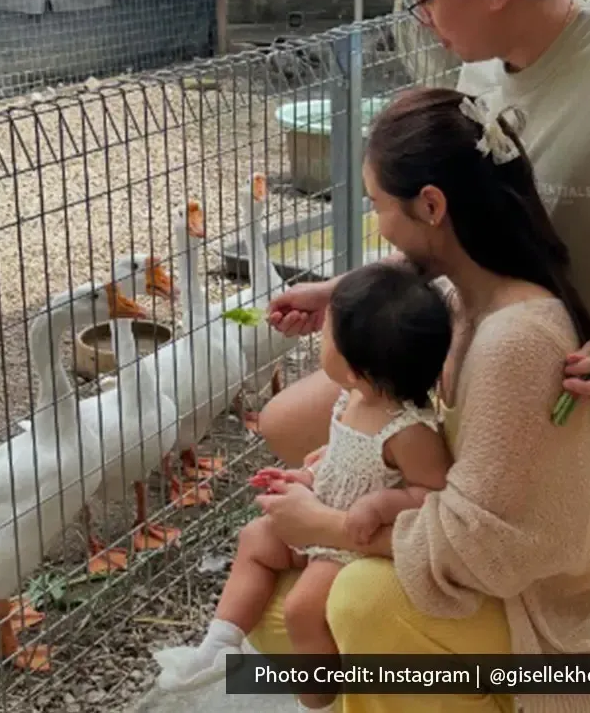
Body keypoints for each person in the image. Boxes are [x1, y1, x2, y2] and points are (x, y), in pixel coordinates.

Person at [259, 0, 590, 506]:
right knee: (285, 424)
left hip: (561, 391)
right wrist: (349, 289)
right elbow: (459, 226)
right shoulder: (481, 68)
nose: (420, 17)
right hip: (461, 357)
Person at [247, 87, 590, 713]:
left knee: (359, 601)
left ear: (430, 205)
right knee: (276, 591)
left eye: (377, 205)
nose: (377, 223)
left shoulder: (514, 340)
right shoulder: (463, 302)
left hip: (552, 632)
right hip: (509, 588)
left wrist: (328, 527)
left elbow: (480, 548)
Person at [153, 262, 453, 710]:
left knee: (302, 609)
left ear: (356, 368)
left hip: (350, 540)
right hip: (323, 508)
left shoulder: (410, 431)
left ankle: (317, 698)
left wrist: (381, 505)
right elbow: (342, 453)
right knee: (255, 538)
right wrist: (307, 476)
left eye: (327, 333)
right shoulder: (351, 397)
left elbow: (433, 494)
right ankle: (218, 646)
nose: (320, 339)